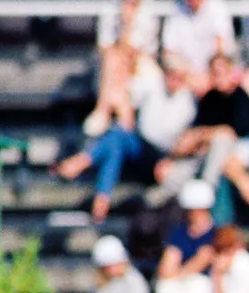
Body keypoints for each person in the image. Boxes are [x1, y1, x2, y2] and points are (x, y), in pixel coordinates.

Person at [55, 58, 195, 223]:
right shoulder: (153, 85)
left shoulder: (188, 103)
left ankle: (84, 165)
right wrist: (125, 111)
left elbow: (185, 140)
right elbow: (121, 93)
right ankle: (101, 197)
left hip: (161, 156)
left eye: (179, 76)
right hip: (139, 144)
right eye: (171, 74)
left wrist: (171, 159)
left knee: (115, 140)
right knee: (116, 139)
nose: (174, 80)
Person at [160, 53, 249, 193]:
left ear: (231, 72)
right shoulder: (209, 98)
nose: (218, 77)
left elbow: (230, 133)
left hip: (233, 154)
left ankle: (207, 189)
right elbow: (195, 131)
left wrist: (203, 134)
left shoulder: (240, 98)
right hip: (204, 152)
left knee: (221, 142)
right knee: (170, 174)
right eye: (214, 73)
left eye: (221, 72)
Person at [152, 179, 218, 293]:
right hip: (181, 280)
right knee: (166, 285)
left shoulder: (215, 233)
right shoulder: (180, 232)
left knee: (195, 290)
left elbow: (203, 260)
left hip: (205, 285)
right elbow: (167, 265)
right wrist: (176, 275)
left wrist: (177, 274)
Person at [85, 0, 162, 138]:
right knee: (111, 61)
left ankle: (104, 109)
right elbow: (105, 49)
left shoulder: (149, 10)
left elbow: (136, 52)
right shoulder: (110, 9)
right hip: (115, 66)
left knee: (114, 66)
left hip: (139, 64)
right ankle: (125, 115)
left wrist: (127, 25)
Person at [159, 0, 235, 91]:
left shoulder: (217, 8)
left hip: (212, 76)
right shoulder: (176, 9)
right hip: (184, 77)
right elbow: (168, 52)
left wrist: (209, 77)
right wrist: (188, 77)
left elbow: (221, 51)